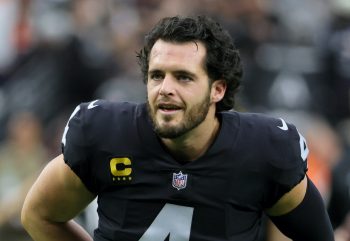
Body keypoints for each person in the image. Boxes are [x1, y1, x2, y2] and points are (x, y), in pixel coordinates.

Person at [21, 15, 334, 241]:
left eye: (183, 77)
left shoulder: (264, 150)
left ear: (218, 89)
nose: (165, 88)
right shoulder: (104, 133)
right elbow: (40, 215)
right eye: (157, 75)